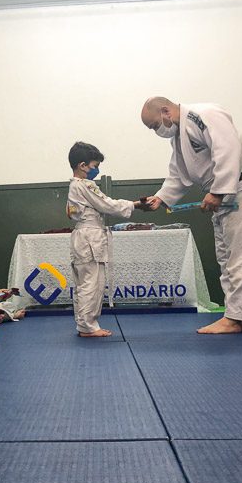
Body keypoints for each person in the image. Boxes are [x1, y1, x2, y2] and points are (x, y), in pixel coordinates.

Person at [140, 97, 242, 334]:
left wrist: (218, 190)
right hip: (223, 195)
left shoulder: (205, 114)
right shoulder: (179, 136)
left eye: (154, 125)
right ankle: (235, 316)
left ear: (165, 111)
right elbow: (179, 174)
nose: (155, 131)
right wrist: (161, 198)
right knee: (227, 260)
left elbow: (228, 148)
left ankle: (235, 318)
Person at [67, 142, 146, 337]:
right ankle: (87, 327)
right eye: (94, 166)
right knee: (92, 283)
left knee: (84, 284)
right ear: (82, 165)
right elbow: (107, 205)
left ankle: (84, 324)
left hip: (82, 236)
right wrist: (136, 205)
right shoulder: (85, 185)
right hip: (90, 238)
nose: (97, 170)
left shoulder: (73, 187)